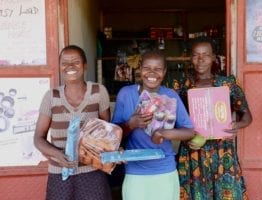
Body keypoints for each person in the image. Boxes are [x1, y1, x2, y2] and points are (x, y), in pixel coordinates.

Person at [111, 50, 195, 200]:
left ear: (164, 72)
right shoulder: (126, 94)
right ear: (139, 69)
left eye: (157, 69)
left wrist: (163, 133)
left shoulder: (171, 95)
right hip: (135, 172)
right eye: (147, 68)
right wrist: (130, 124)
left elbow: (189, 132)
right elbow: (112, 136)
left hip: (164, 170)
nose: (152, 73)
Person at [177, 37, 253, 200]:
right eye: (196, 55)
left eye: (205, 54)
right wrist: (183, 132)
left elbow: (247, 116)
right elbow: (175, 118)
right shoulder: (183, 85)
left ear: (213, 57)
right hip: (193, 152)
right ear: (191, 58)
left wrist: (236, 125)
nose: (201, 59)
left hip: (222, 151)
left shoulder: (228, 84)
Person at [34, 45, 112, 200]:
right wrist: (58, 154)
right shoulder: (51, 97)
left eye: (75, 62)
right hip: (60, 173)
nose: (70, 66)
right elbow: (38, 138)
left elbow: (107, 133)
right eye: (65, 63)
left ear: (85, 66)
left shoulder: (98, 92)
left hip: (92, 172)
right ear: (60, 67)